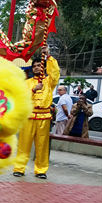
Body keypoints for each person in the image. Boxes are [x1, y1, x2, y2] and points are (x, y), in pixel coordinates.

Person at [12, 49, 60, 179]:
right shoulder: (27, 83)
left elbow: (55, 72)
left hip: (44, 117)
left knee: (42, 145)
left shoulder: (50, 81)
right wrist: (33, 89)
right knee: (23, 144)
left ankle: (41, 170)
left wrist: (48, 55)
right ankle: (19, 168)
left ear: (43, 67)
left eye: (39, 65)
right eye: (34, 66)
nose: (37, 68)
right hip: (29, 116)